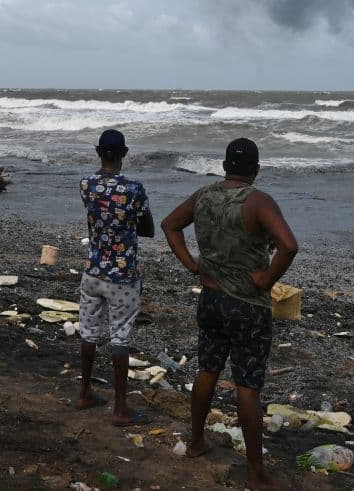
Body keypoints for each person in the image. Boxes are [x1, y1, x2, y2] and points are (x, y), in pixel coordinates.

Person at [160, 138, 298, 491]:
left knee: (208, 368)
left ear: (224, 166)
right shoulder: (258, 201)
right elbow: (289, 245)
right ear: (256, 169)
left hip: (211, 298)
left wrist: (192, 265)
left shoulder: (204, 195)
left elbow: (170, 225)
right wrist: (266, 279)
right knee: (247, 386)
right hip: (247, 305)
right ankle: (255, 473)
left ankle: (196, 441)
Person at [76, 129, 155, 426]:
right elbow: (148, 229)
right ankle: (120, 408)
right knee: (119, 337)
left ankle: (84, 393)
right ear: (125, 153)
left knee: (89, 333)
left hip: (93, 270)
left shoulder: (87, 184)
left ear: (98, 152)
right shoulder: (133, 189)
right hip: (123, 275)